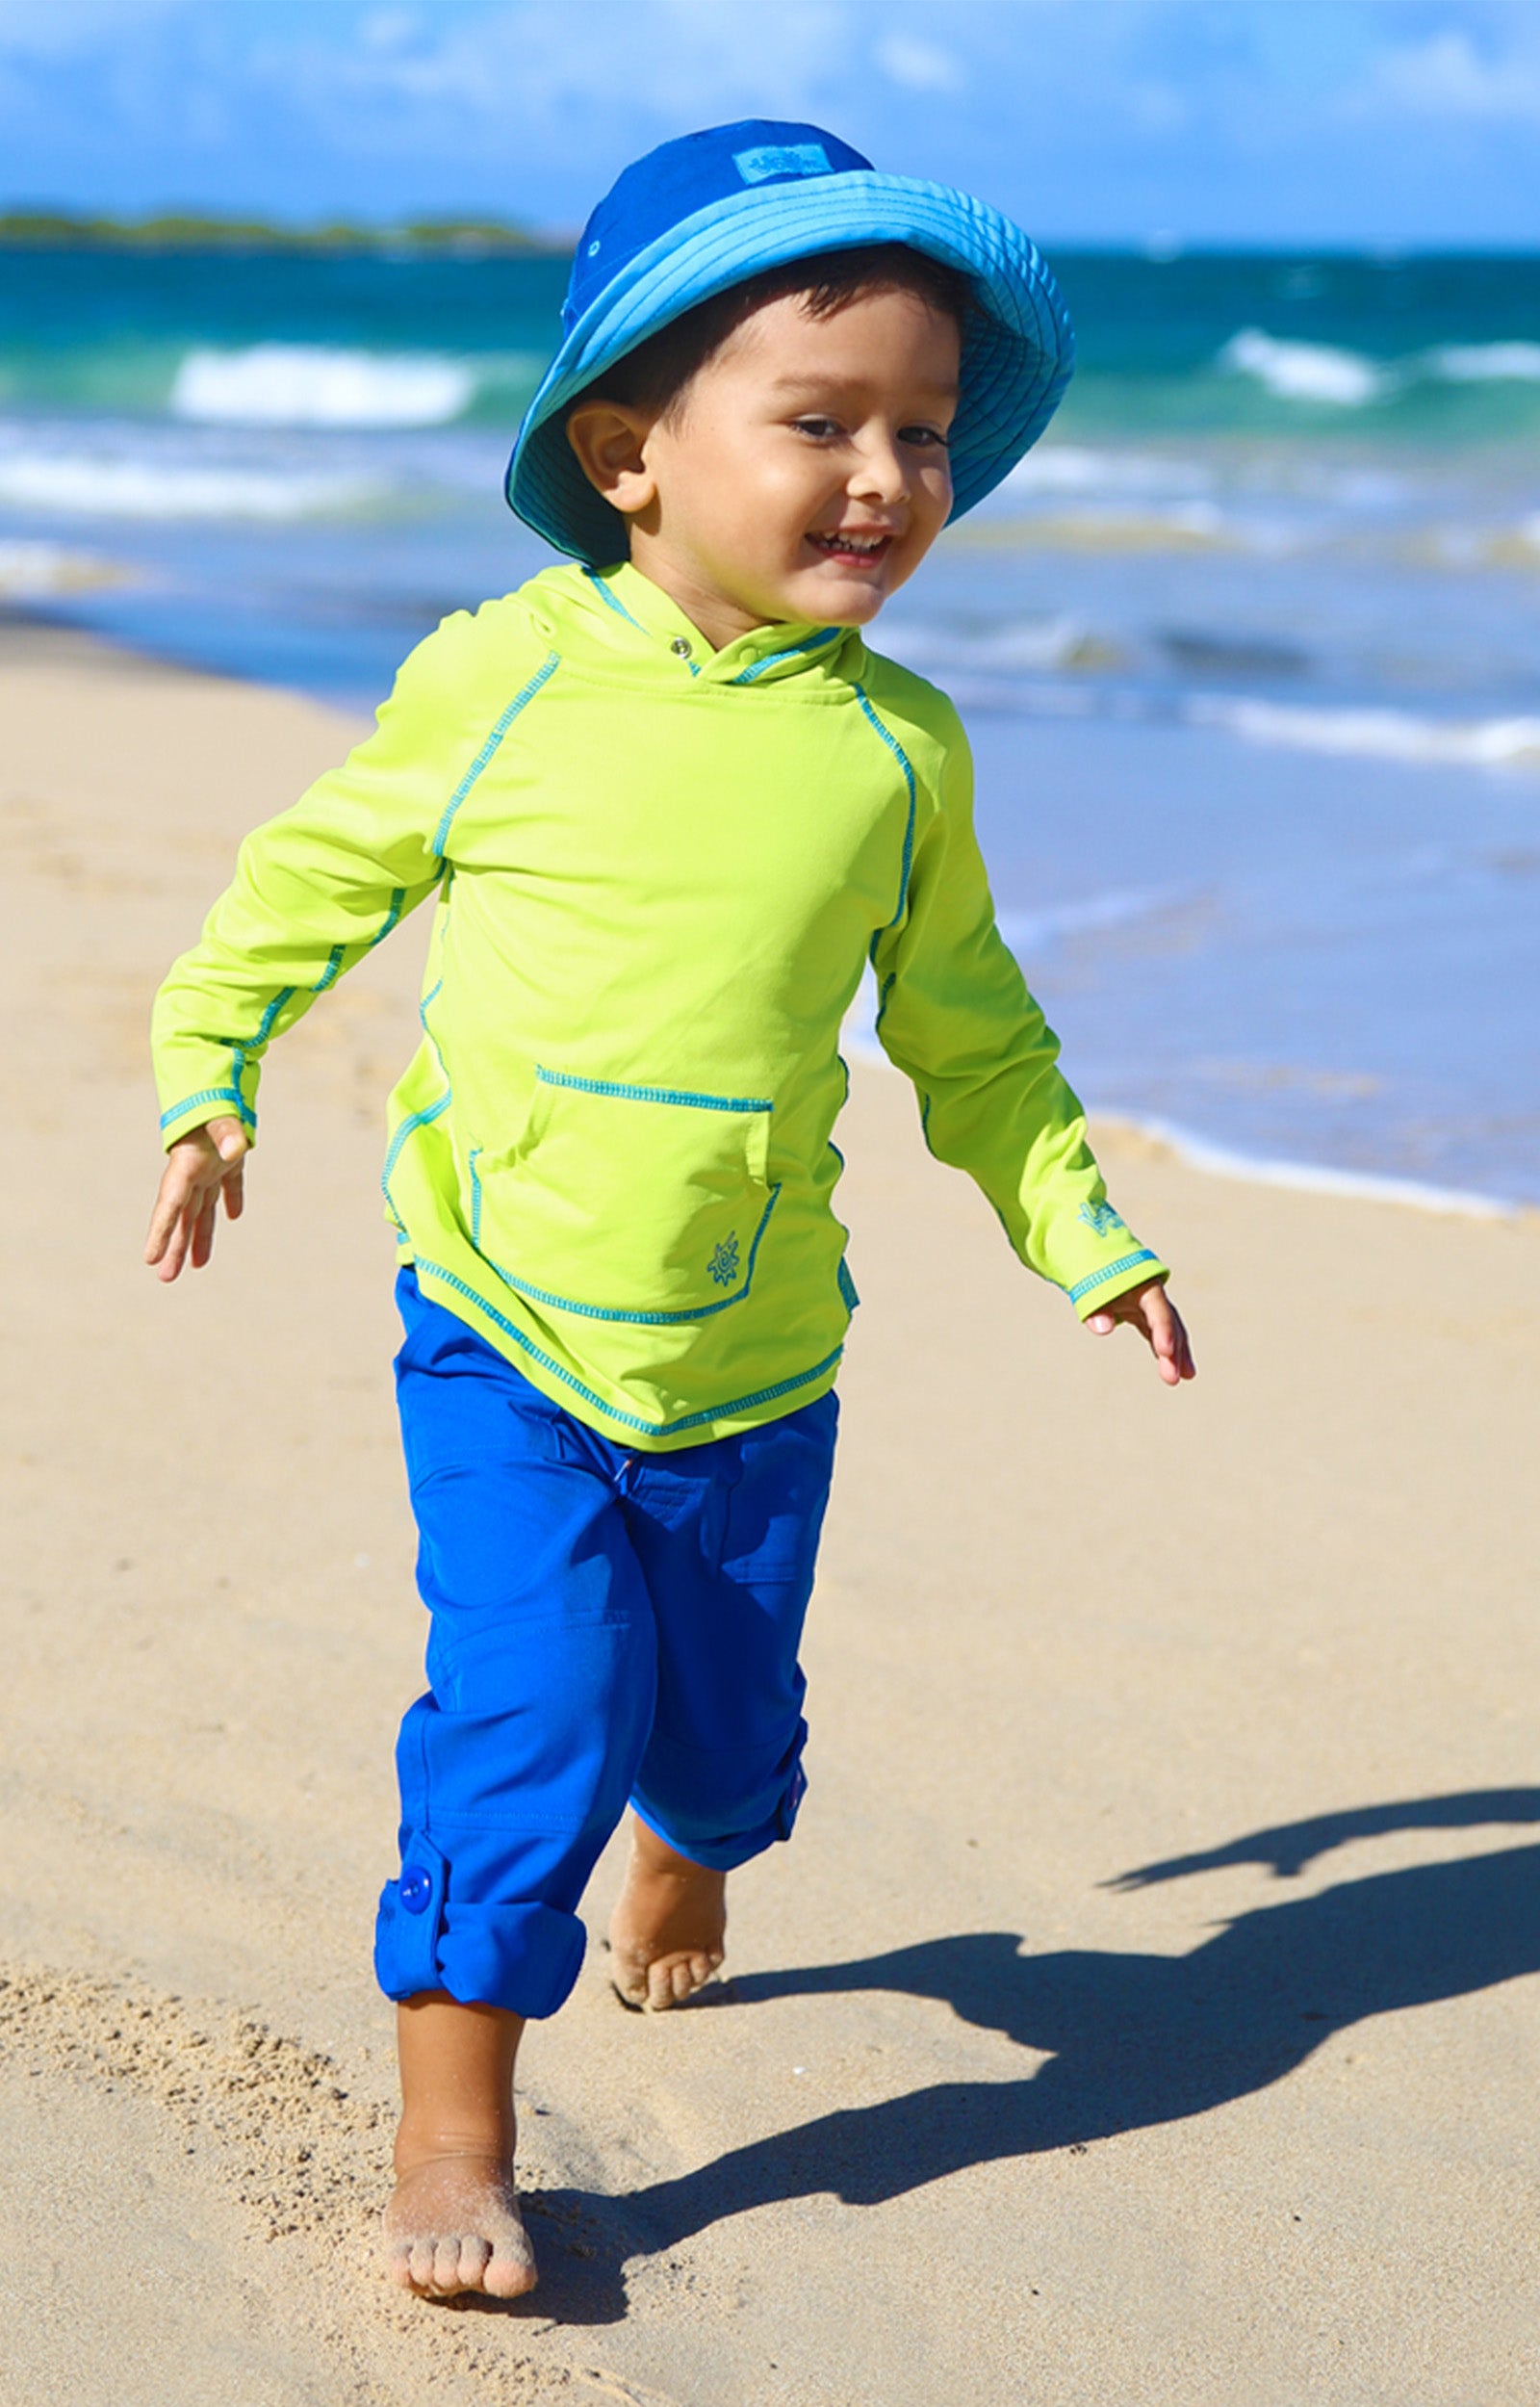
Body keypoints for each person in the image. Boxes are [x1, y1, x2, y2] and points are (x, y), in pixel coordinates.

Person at [144, 119, 1195, 2302]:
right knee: (530, 1708)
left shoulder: (898, 753)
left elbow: (972, 1037)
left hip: (754, 1355)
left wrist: (1080, 1225)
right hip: (505, 1317)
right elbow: (309, 878)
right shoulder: (501, 677)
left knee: (718, 1735)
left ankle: (694, 1851)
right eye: (820, 423)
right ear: (629, 448)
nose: (889, 478)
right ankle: (455, 2122)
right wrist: (207, 1074)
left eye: (919, 430)